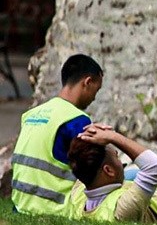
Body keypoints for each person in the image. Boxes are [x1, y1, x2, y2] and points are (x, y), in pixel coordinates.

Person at [11, 54, 104, 216]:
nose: (94, 98)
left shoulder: (31, 115)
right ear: (87, 82)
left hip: (20, 205)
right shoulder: (76, 119)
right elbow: (95, 172)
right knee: (133, 176)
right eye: (97, 90)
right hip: (54, 208)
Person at [66, 127, 157, 225]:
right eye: (116, 157)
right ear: (109, 171)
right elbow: (154, 165)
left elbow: (81, 158)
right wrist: (113, 136)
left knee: (132, 173)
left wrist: (89, 138)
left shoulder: (79, 194)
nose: (122, 162)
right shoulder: (122, 210)